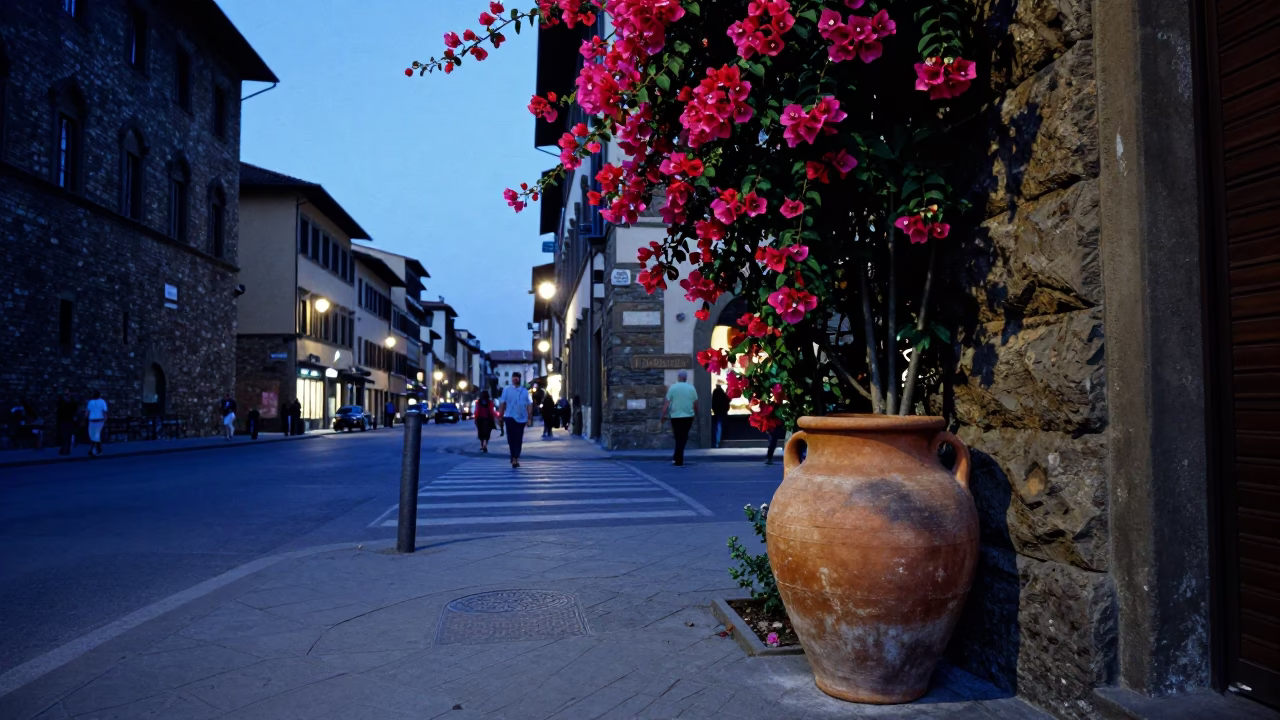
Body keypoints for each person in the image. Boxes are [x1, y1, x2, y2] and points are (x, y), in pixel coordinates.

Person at [659, 371, 699, 467]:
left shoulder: (673, 387)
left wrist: (663, 415)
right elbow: (695, 403)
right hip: (688, 416)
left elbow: (667, 403)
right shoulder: (691, 388)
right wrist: (696, 414)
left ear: (678, 377)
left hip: (675, 416)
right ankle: (678, 458)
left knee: (678, 437)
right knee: (683, 437)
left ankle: (677, 458)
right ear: (685, 378)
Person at [499, 371, 531, 468]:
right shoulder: (507, 390)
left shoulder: (525, 391)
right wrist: (500, 415)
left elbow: (529, 404)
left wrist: (529, 417)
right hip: (509, 417)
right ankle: (514, 458)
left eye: (517, 377)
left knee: (518, 439)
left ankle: (516, 457)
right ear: (512, 379)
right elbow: (502, 403)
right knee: (511, 439)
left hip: (521, 419)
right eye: (514, 377)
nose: (515, 379)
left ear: (519, 379)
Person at [85, 390, 108, 457]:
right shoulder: (100, 401)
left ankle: (94, 450)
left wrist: (84, 419)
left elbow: (87, 412)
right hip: (98, 420)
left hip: (94, 420)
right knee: (95, 436)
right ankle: (96, 450)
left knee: (95, 436)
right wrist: (105, 420)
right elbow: (105, 412)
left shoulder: (92, 402)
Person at [56, 389, 78, 456]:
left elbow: (75, 406)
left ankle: (66, 450)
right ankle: (64, 450)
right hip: (64, 421)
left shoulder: (71, 404)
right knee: (65, 436)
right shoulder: (62, 404)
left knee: (67, 436)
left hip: (68, 421)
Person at [711, 385, 730, 449]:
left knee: (717, 426)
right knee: (719, 425)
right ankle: (718, 441)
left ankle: (716, 441)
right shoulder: (722, 393)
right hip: (722, 412)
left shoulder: (715, 393)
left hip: (717, 411)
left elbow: (713, 402)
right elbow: (727, 401)